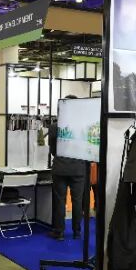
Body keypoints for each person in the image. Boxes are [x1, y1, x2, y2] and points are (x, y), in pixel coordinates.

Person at [49, 96, 87, 240]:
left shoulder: (55, 126)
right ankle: (77, 231)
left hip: (60, 168)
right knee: (77, 201)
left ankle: (59, 231)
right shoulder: (83, 127)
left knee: (60, 201)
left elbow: (53, 150)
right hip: (78, 168)